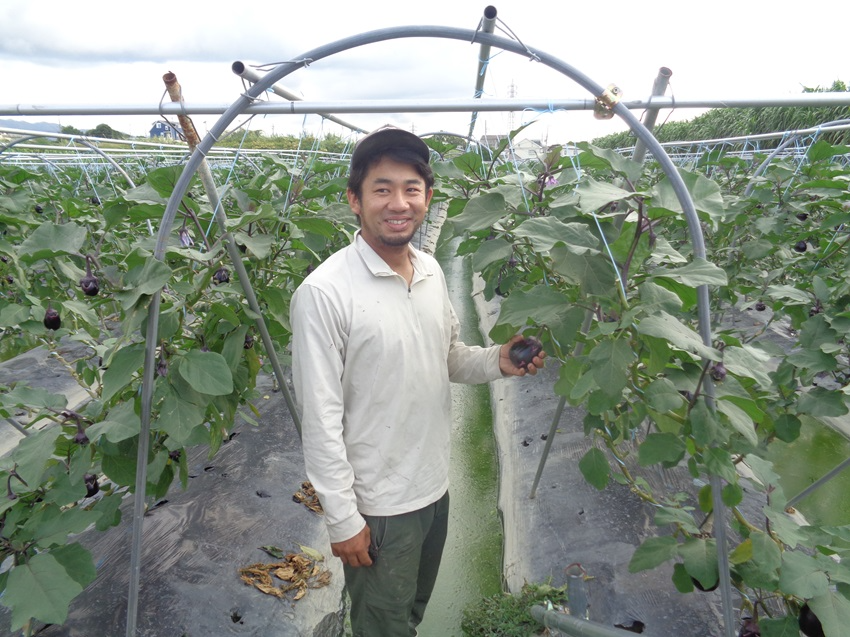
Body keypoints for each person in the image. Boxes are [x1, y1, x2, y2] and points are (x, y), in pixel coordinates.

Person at [289, 126, 544, 637]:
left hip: (434, 487)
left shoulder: (428, 270)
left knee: (409, 615)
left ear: (427, 197)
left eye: (411, 188)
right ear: (354, 201)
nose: (398, 202)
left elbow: (446, 358)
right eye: (381, 189)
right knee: (383, 626)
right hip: (380, 506)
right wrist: (343, 519)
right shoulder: (324, 293)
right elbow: (319, 420)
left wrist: (498, 360)